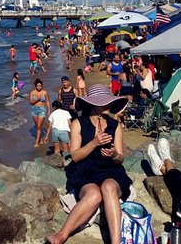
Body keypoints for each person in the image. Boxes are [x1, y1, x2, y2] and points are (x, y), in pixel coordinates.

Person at [47, 85, 131, 244]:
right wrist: (94, 143)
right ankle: (62, 235)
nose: (108, 105)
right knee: (94, 195)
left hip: (111, 170)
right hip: (86, 171)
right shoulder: (79, 123)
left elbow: (121, 159)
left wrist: (114, 155)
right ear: (93, 104)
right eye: (103, 102)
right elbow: (75, 156)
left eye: (109, 102)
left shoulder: (116, 125)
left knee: (108, 188)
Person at [29, 79, 51, 147]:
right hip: (34, 109)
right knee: (37, 126)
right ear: (35, 86)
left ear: (42, 86)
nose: (39, 87)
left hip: (42, 109)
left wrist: (49, 111)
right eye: (38, 86)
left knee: (39, 126)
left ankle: (36, 142)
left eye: (40, 86)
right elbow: (30, 102)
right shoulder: (32, 92)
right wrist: (38, 99)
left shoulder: (44, 92)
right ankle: (40, 138)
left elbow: (47, 102)